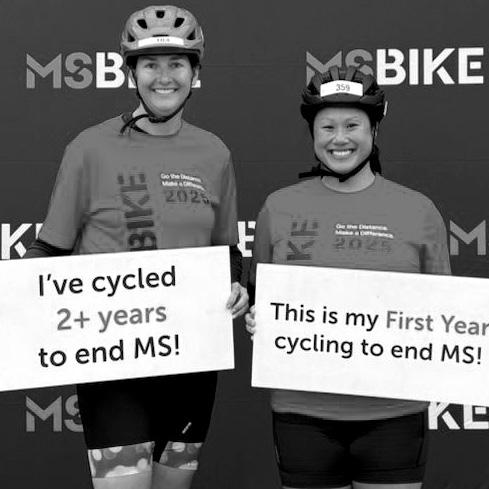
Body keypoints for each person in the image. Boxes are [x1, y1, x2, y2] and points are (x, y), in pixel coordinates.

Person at [26, 5, 248, 489]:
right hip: (114, 364)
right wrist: (15, 295)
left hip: (191, 362)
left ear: (195, 72)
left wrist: (238, 284)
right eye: (150, 64)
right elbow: (49, 250)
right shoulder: (89, 148)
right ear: (131, 72)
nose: (164, 77)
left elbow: (226, 251)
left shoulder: (214, 153)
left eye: (177, 63)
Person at [245, 66, 451, 489]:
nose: (340, 138)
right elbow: (260, 294)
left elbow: (442, 310)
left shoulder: (418, 210)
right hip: (302, 413)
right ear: (313, 133)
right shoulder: (278, 208)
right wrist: (257, 320)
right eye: (328, 127)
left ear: (374, 129)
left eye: (352, 125)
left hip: (394, 414)